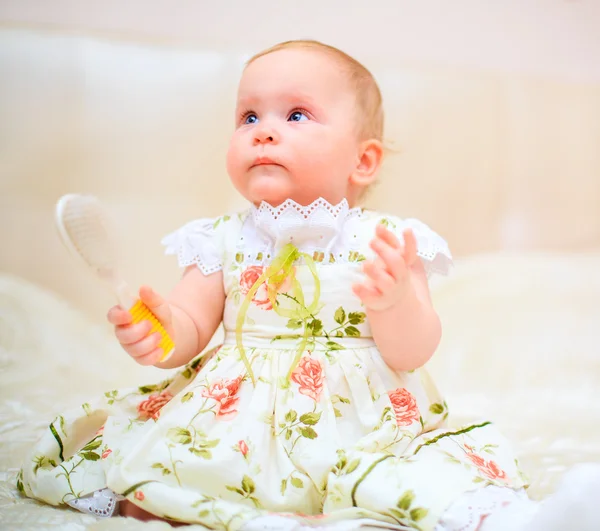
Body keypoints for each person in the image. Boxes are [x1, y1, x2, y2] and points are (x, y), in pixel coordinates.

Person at [19, 40, 593, 531]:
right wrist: (161, 332)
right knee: (167, 459)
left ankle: (517, 520)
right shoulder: (219, 238)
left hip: (360, 418)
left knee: (407, 473)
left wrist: (393, 303)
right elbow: (190, 328)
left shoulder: (388, 240)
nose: (264, 132)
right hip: (236, 413)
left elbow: (413, 350)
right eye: (248, 117)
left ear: (363, 161)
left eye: (295, 115)